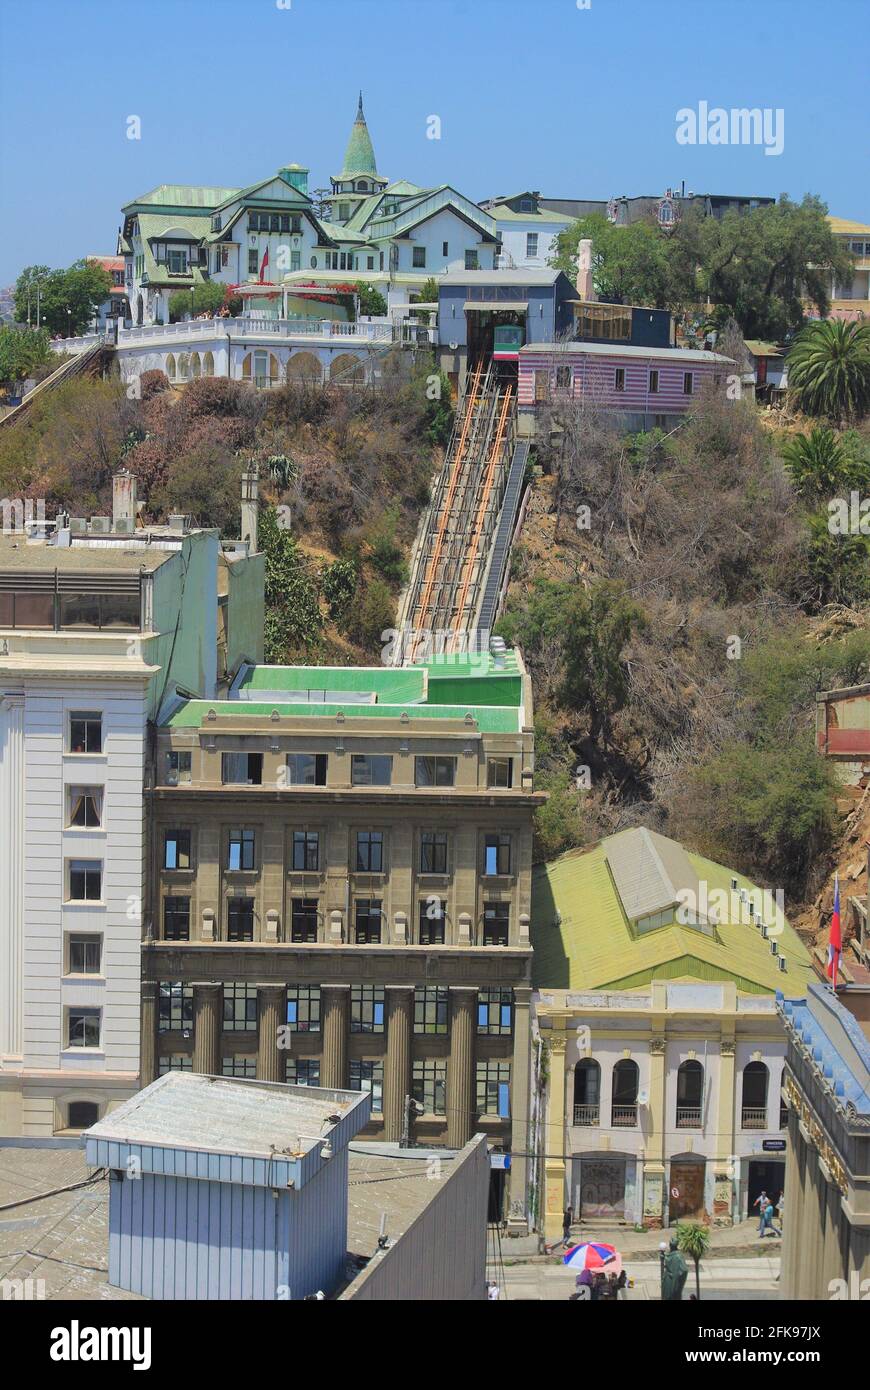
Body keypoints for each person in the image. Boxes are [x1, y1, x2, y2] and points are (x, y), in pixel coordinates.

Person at [661, 1236, 688, 1301]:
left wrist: (677, 1280)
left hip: (672, 1281)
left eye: (670, 1244)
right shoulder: (672, 1254)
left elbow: (684, 1270)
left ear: (671, 1245)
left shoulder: (678, 1256)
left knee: (670, 1296)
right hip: (667, 1279)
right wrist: (664, 1257)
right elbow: (669, 1259)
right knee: (666, 1295)